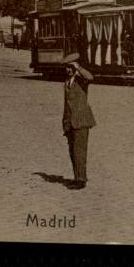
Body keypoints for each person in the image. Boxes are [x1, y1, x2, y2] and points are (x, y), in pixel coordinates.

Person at [61, 53, 96, 190]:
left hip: (81, 120)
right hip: (70, 121)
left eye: (70, 67)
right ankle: (76, 177)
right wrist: (64, 121)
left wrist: (79, 68)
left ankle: (81, 180)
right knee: (72, 151)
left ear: (75, 67)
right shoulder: (66, 81)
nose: (68, 70)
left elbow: (91, 77)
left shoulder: (81, 80)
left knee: (79, 151)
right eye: (66, 67)